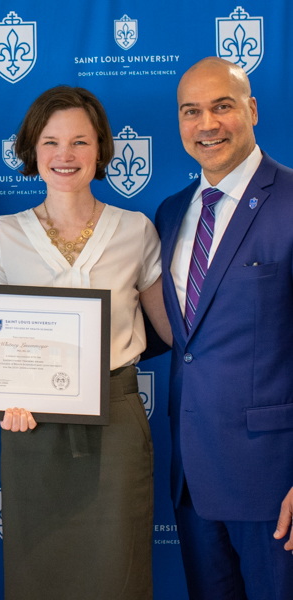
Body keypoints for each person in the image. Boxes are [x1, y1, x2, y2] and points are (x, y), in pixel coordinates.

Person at [0, 86, 172, 599]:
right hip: (31, 424)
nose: (65, 156)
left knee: (119, 569)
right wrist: (1, 400)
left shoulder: (137, 230)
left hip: (116, 418)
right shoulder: (4, 234)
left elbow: (174, 332)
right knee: (36, 568)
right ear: (31, 151)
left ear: (101, 151)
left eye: (80, 142)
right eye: (51, 142)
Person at [155, 56, 293, 599]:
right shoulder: (171, 212)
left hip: (273, 483)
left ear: (252, 109)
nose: (206, 124)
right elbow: (174, 335)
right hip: (192, 478)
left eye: (222, 106)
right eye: (191, 111)